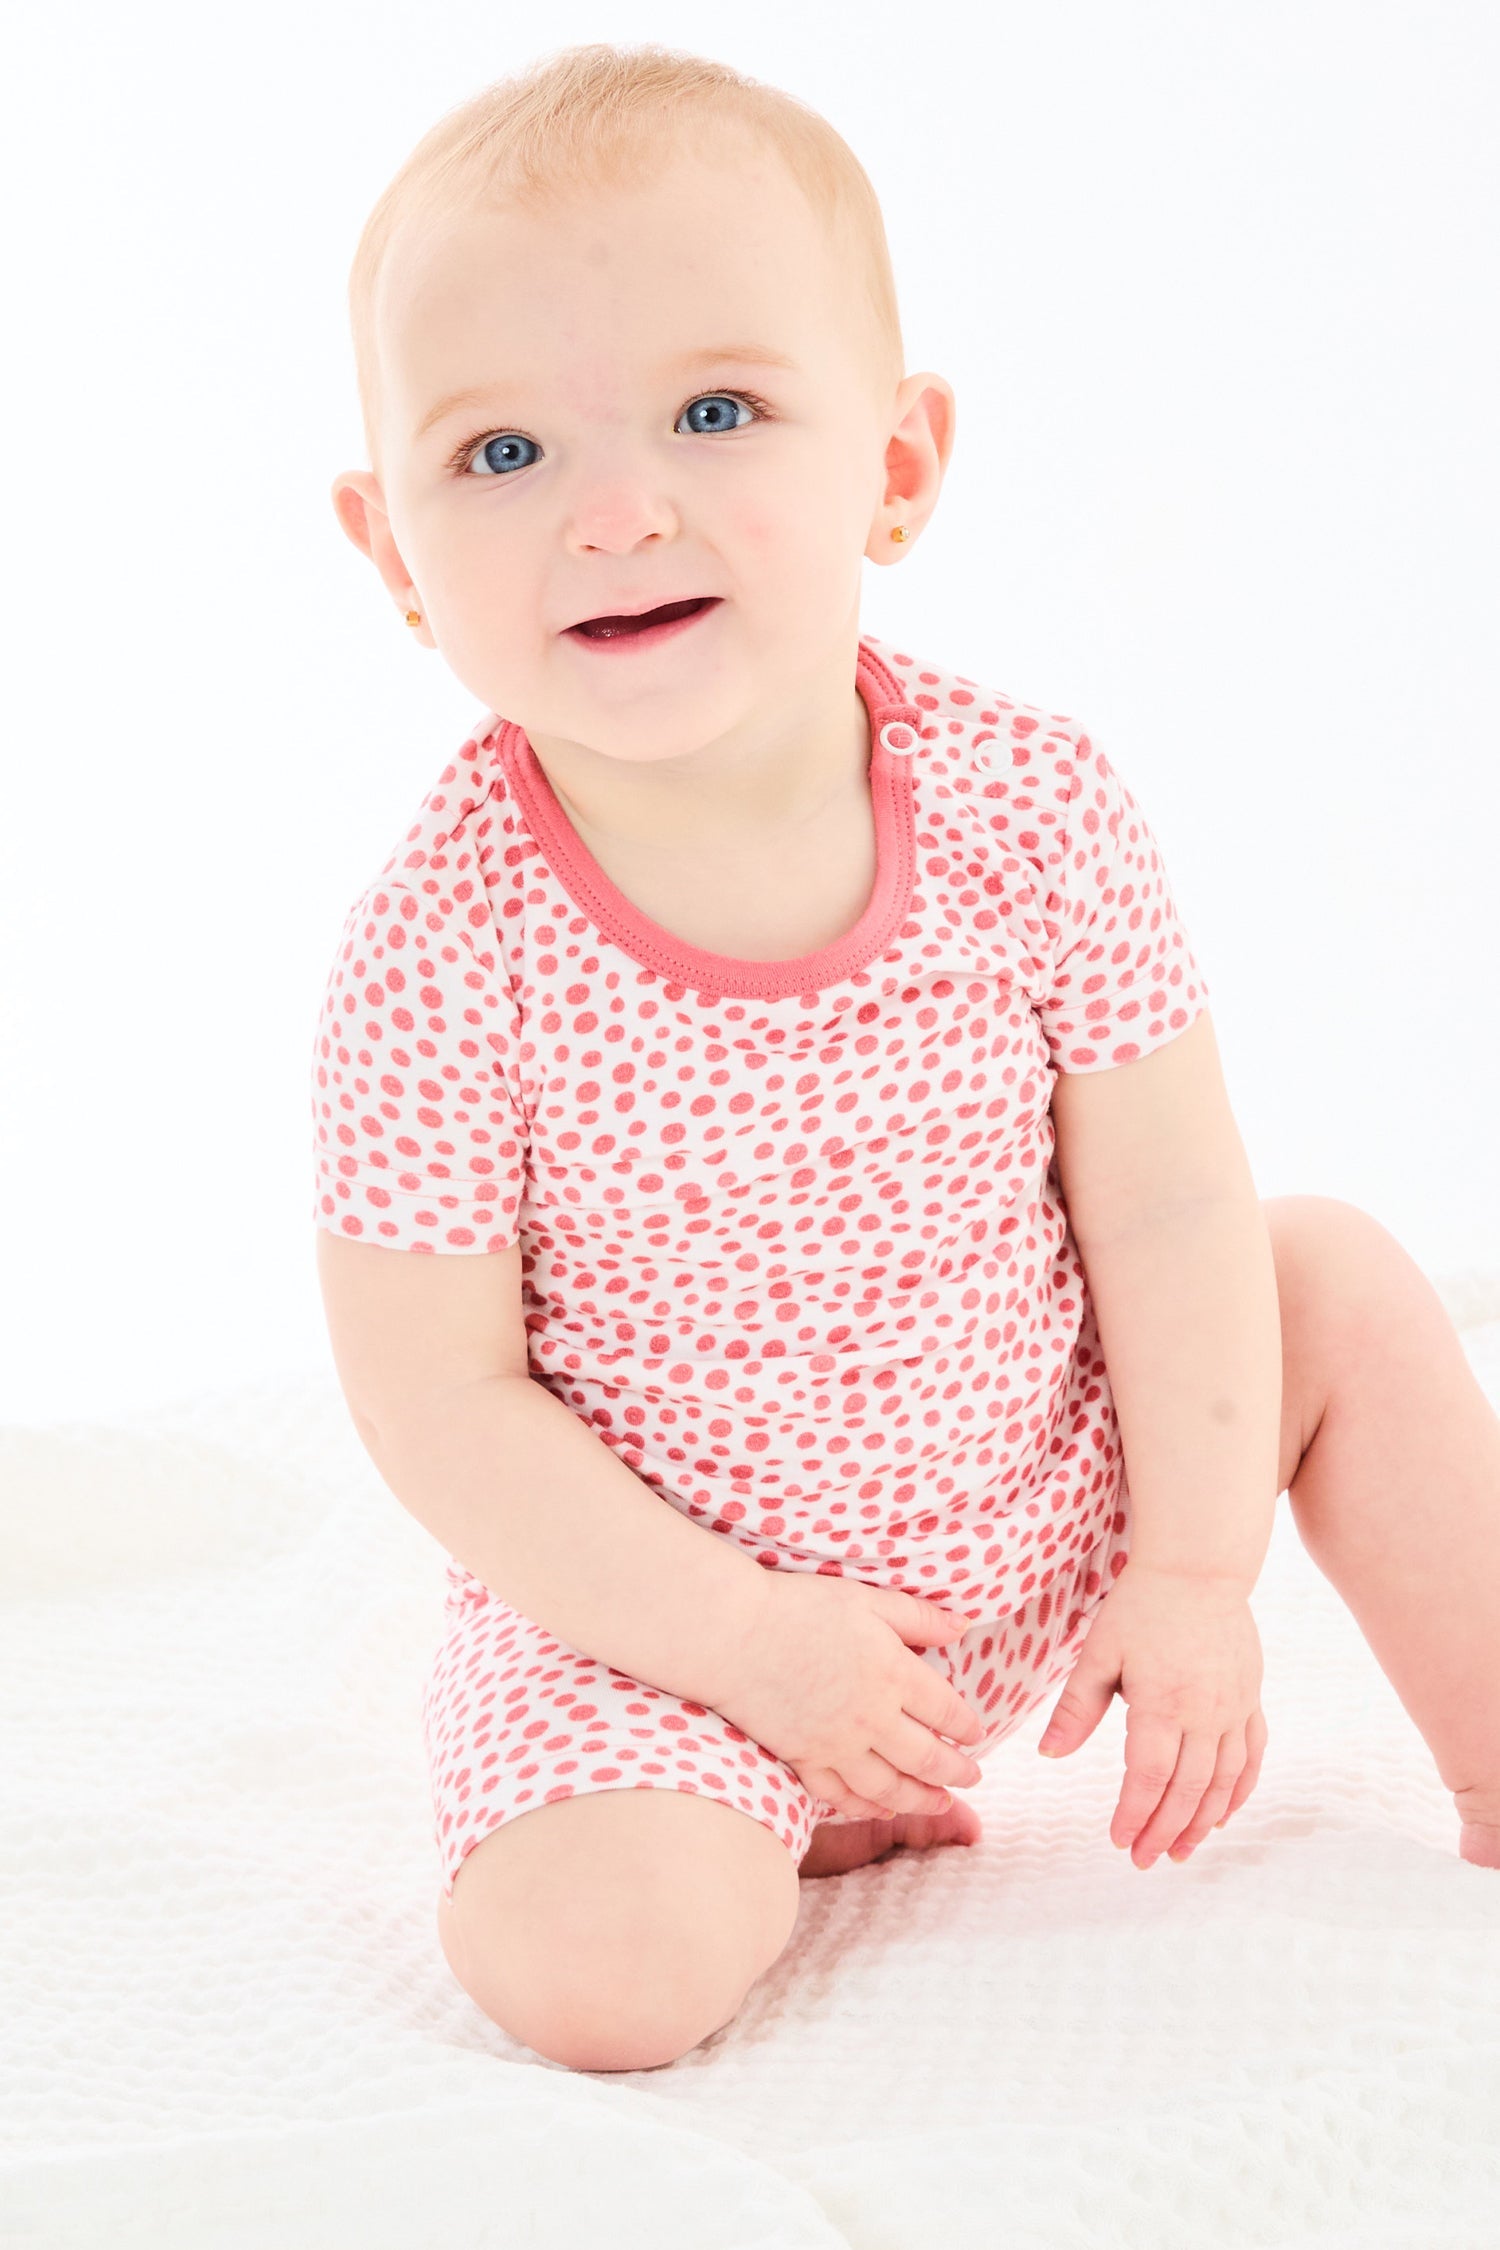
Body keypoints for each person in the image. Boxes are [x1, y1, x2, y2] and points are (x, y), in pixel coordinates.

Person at [311, 43, 1500, 2074]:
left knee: (1334, 1281)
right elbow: (442, 1402)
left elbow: (1168, 1204)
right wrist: (750, 1650)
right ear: (395, 553)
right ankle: (763, 1810)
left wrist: (1193, 1566)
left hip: (1038, 1501)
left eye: (716, 413)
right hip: (675, 1614)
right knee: (598, 1974)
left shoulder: (1029, 806)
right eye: (499, 452)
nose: (616, 510)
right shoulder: (440, 948)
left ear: (897, 465)